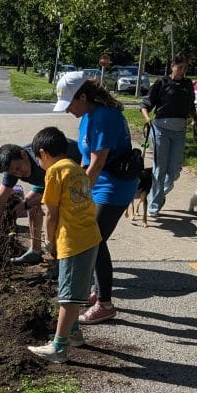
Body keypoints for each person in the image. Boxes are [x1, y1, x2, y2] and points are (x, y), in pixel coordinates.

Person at [54, 70, 139, 324]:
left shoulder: (103, 116)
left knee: (95, 241)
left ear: (82, 96)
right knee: (91, 238)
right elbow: (84, 158)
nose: (68, 110)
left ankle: (105, 304)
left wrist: (78, 197)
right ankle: (95, 291)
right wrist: (76, 187)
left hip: (115, 187)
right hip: (99, 184)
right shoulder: (88, 116)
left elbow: (98, 163)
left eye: (70, 104)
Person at [27, 127, 101, 364]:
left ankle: (59, 347)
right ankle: (75, 333)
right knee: (77, 286)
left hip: (73, 240)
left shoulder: (54, 172)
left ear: (43, 153)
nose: (39, 164)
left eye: (38, 160)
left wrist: (49, 242)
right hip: (90, 236)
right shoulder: (76, 168)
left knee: (68, 294)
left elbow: (51, 213)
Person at [0, 139, 81, 264]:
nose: (19, 173)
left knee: (54, 213)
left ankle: (61, 258)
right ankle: (35, 251)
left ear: (24, 154)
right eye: (14, 172)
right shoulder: (12, 168)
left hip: (75, 174)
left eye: (18, 168)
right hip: (47, 181)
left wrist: (26, 204)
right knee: (31, 203)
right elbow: (0, 199)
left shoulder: (45, 160)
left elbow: (60, 195)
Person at [140, 52, 197, 218]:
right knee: (160, 169)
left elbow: (190, 107)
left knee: (174, 171)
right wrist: (147, 119)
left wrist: (196, 120)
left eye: (185, 68)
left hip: (180, 131)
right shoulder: (162, 82)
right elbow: (146, 104)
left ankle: (158, 194)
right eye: (180, 67)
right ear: (172, 66)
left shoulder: (188, 84)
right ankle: (153, 206)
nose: (182, 71)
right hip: (161, 130)